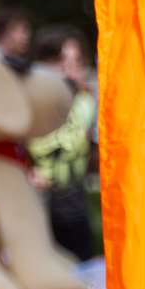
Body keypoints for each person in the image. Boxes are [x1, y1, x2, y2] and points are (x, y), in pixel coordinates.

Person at [27, 23, 98, 262]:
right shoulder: (26, 106)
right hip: (33, 217)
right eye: (60, 62)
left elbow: (95, 158)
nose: (69, 71)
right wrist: (25, 173)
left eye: (76, 62)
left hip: (76, 218)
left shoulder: (87, 104)